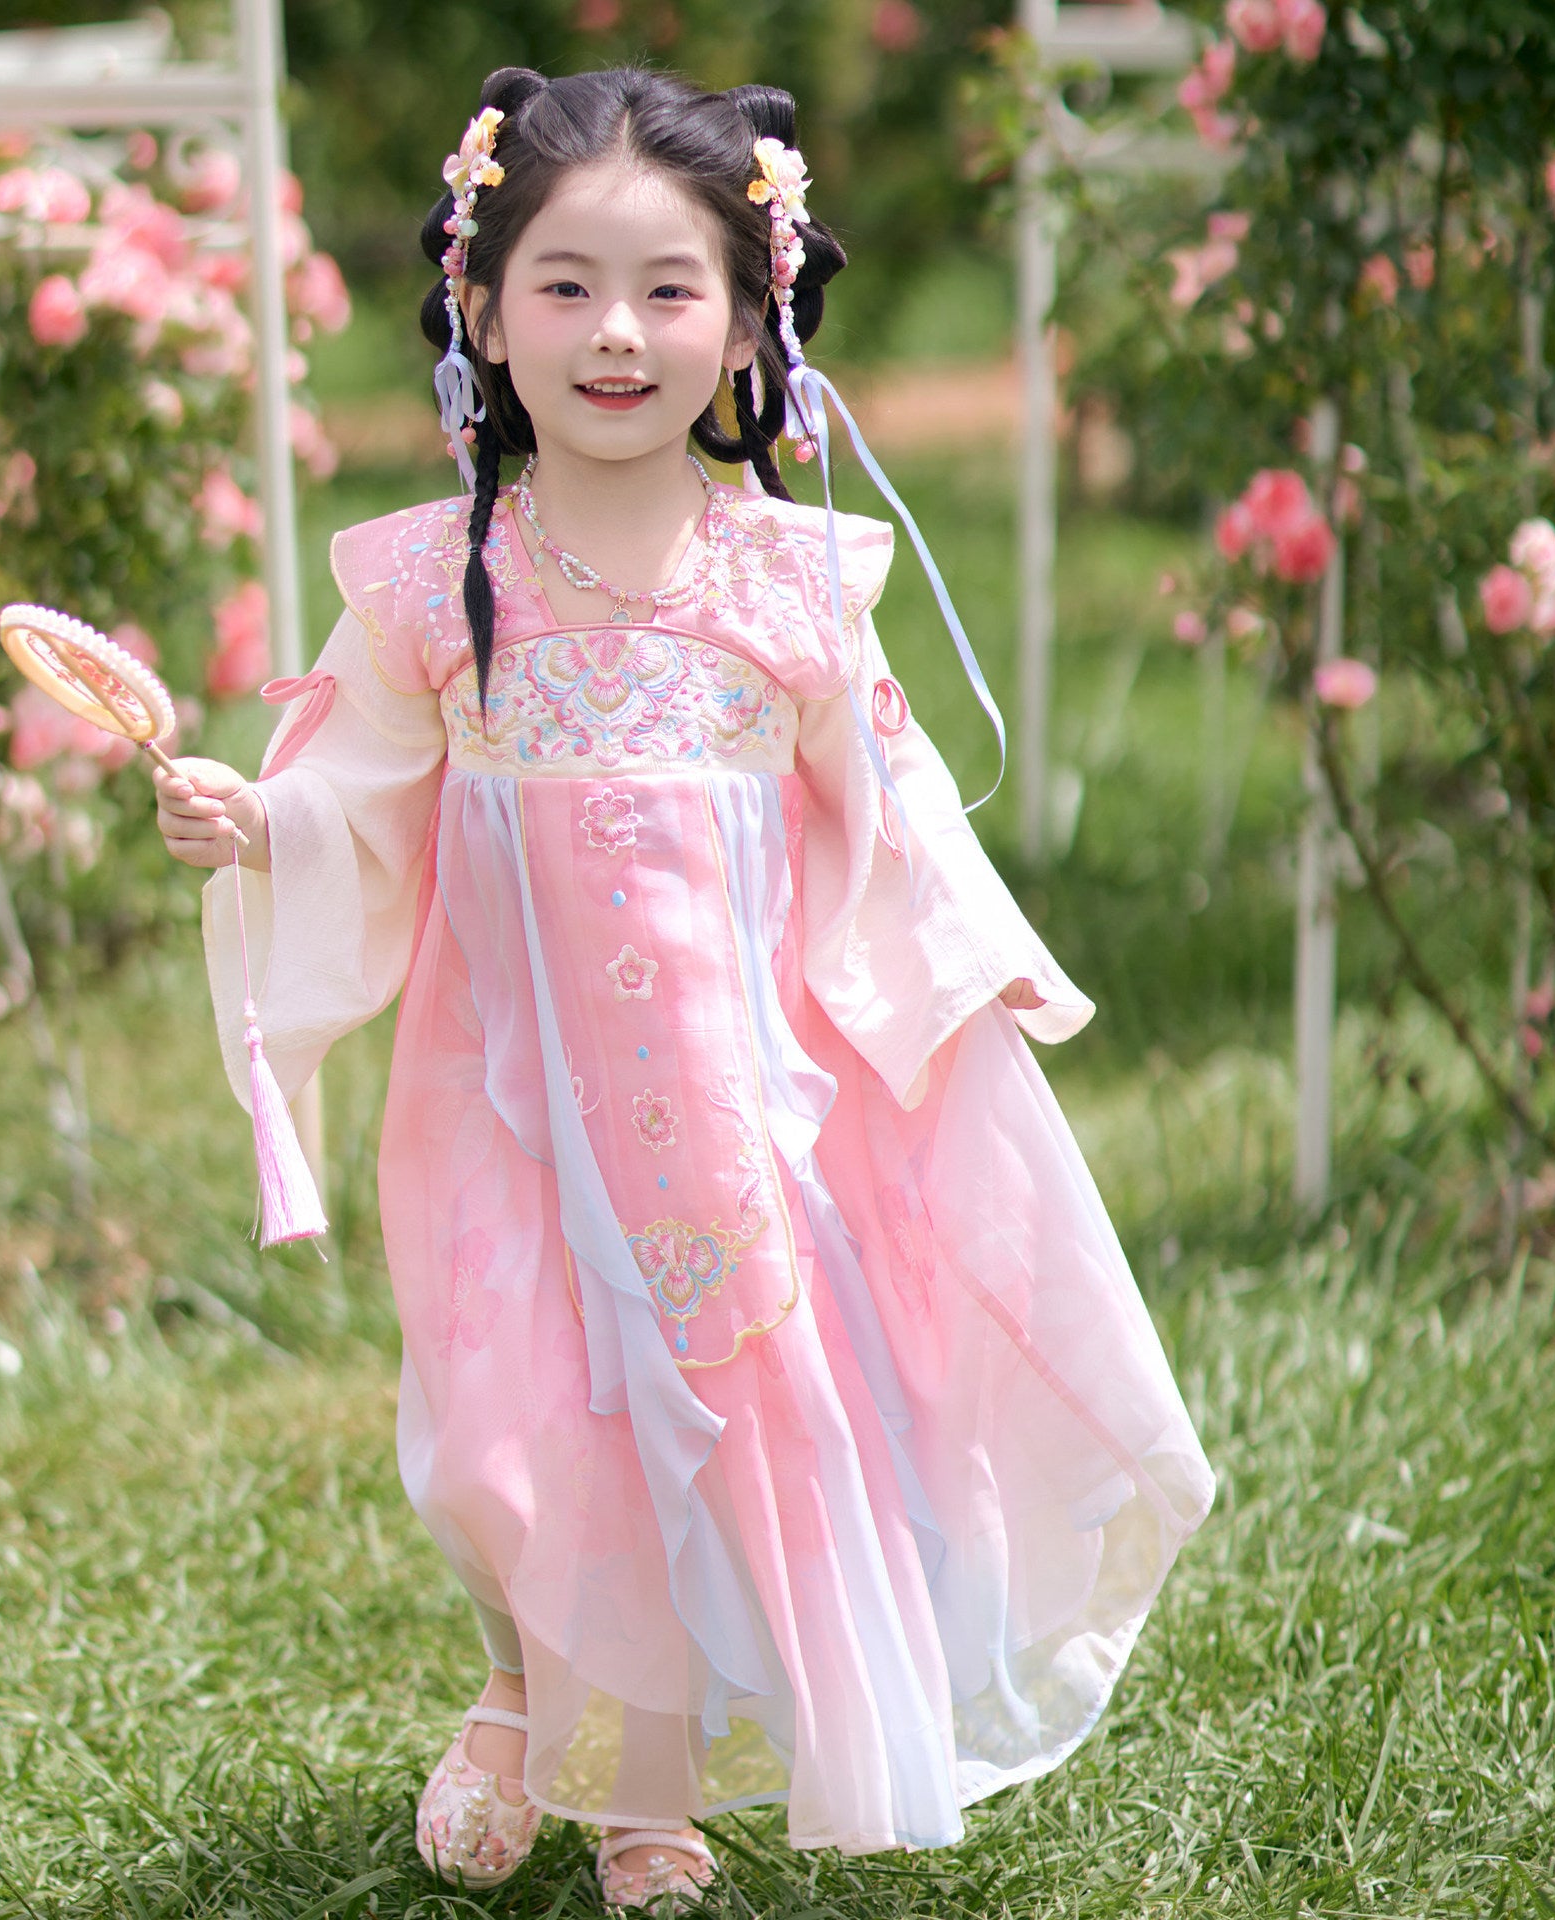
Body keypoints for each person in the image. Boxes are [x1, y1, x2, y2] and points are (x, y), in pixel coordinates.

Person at [154, 65, 1215, 1910]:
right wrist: (263, 828)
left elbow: (879, 811)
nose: (616, 333)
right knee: (507, 1419)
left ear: (751, 320)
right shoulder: (434, 583)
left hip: (734, 1103)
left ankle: (646, 1789)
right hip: (501, 1081)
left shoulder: (789, 581)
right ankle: (513, 1677)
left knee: (690, 1411)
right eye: (564, 285)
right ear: (481, 312)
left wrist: (969, 977)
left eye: (669, 288)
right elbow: (362, 795)